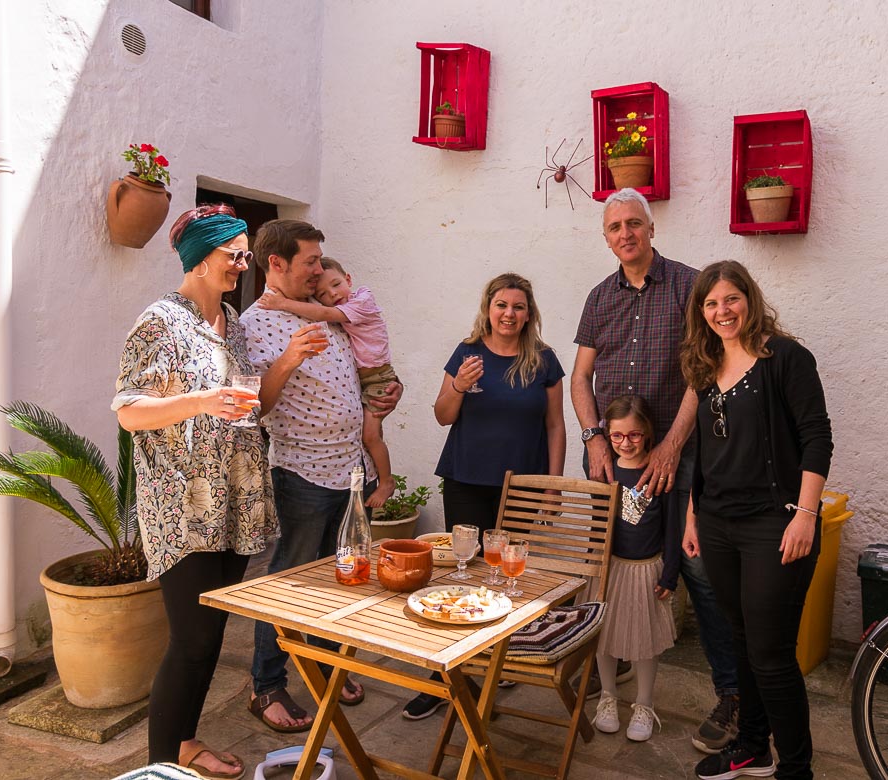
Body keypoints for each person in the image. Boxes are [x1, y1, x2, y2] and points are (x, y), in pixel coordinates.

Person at [113, 204, 279, 780]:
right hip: (179, 506)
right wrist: (202, 402)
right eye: (235, 253)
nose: (243, 263)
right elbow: (130, 411)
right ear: (200, 256)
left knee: (209, 635)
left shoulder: (231, 321)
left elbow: (246, 400)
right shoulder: (159, 321)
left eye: (245, 254)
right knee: (189, 638)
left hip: (232, 499)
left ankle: (183, 744)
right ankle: (161, 765)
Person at [571, 187, 740, 751]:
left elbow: (704, 369)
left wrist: (671, 446)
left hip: (680, 451)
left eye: (634, 224)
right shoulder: (599, 298)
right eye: (615, 227)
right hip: (611, 454)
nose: (626, 234)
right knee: (605, 563)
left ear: (650, 228)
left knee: (694, 568)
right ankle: (608, 670)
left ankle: (733, 694)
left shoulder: (691, 286)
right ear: (606, 237)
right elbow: (580, 379)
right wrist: (594, 439)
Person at [242, 219, 402, 732]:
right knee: (288, 579)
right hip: (303, 474)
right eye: (310, 260)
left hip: (350, 469)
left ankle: (330, 665)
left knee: (343, 575)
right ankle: (266, 685)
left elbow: (347, 377)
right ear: (277, 263)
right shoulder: (255, 323)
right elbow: (257, 405)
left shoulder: (328, 313)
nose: (318, 269)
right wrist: (289, 358)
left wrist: (380, 398)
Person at [680, 261, 832, 780]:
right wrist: (693, 517)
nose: (722, 311)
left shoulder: (786, 358)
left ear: (750, 299)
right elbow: (706, 451)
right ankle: (751, 748)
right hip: (718, 525)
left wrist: (806, 515)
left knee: (770, 653)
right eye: (711, 303)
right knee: (741, 641)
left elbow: (817, 437)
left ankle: (796, 767)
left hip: (776, 523)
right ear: (701, 313)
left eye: (731, 299)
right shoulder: (704, 367)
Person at [402, 272, 567, 720]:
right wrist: (458, 384)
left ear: (528, 313)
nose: (509, 314)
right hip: (467, 479)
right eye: (501, 305)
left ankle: (493, 662)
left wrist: (552, 487)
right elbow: (441, 416)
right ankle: (445, 679)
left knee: (504, 578)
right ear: (488, 308)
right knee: (461, 573)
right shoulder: (467, 353)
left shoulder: (544, 360)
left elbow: (555, 426)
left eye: (518, 306)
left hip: (522, 490)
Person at [257, 256, 400, 507]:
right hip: (308, 471)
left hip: (377, 379)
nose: (333, 294)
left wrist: (281, 302)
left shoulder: (360, 301)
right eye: (322, 292)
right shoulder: (257, 322)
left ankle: (387, 481)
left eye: (336, 285)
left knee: (370, 435)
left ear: (348, 279)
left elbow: (323, 313)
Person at [591, 395, 681, 743]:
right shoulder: (605, 472)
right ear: (607, 435)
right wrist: (592, 566)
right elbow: (598, 524)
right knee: (605, 637)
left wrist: (670, 571)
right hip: (610, 568)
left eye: (633, 436)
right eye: (616, 436)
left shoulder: (659, 473)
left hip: (648, 568)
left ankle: (644, 703)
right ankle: (608, 697)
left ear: (647, 433)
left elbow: (673, 527)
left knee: (646, 641)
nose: (625, 443)